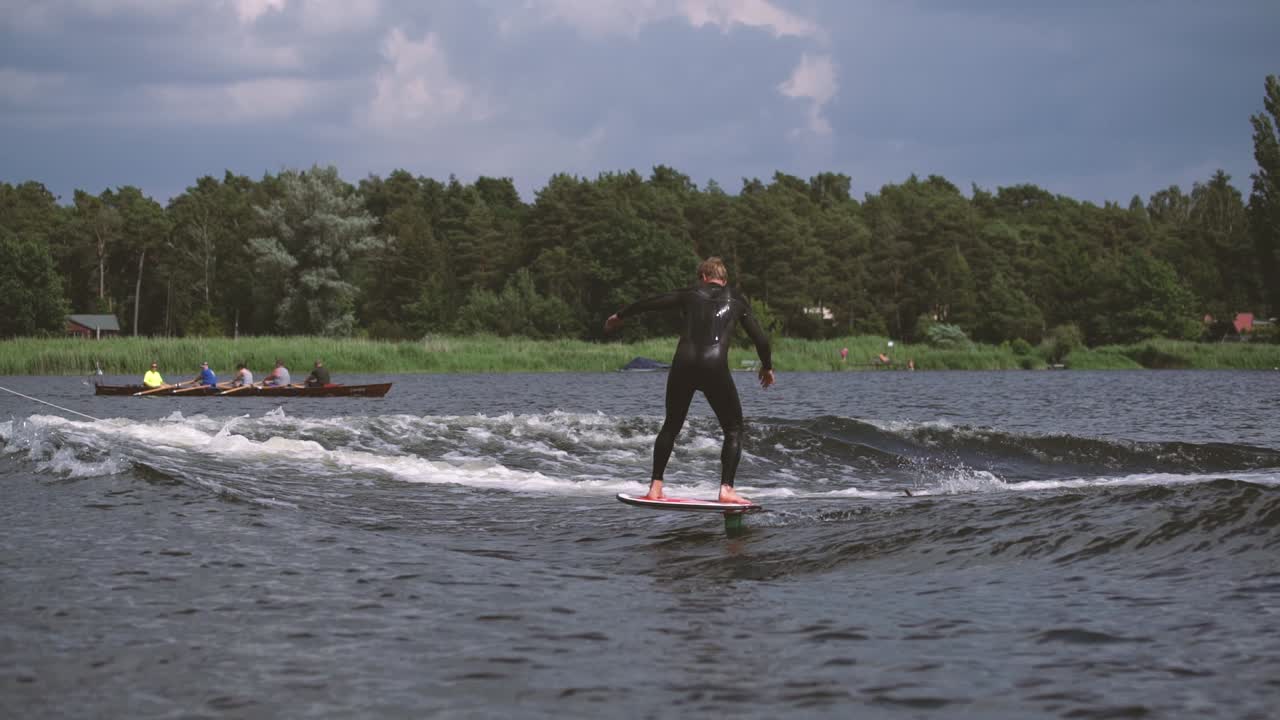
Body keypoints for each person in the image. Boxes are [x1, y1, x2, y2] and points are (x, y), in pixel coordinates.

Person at [604, 256, 775, 505]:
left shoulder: (690, 293)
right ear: (724, 279)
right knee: (733, 429)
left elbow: (651, 303)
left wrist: (620, 316)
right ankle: (726, 489)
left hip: (683, 365)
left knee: (671, 426)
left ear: (703, 277)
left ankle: (655, 488)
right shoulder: (737, 299)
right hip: (714, 367)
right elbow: (761, 339)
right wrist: (767, 367)